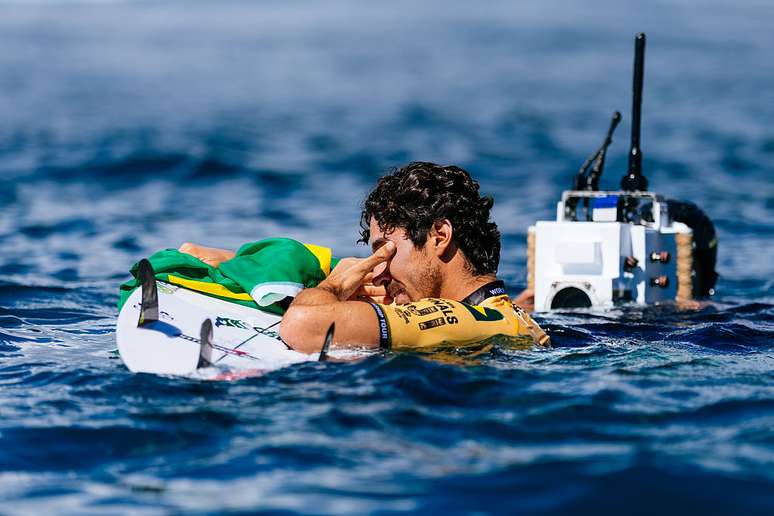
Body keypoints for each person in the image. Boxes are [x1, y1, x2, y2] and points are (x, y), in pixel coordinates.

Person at [181, 162, 548, 353]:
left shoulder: (465, 319)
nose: (381, 269)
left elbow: (305, 327)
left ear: (440, 236)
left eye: (385, 250)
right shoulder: (502, 316)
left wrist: (337, 286)